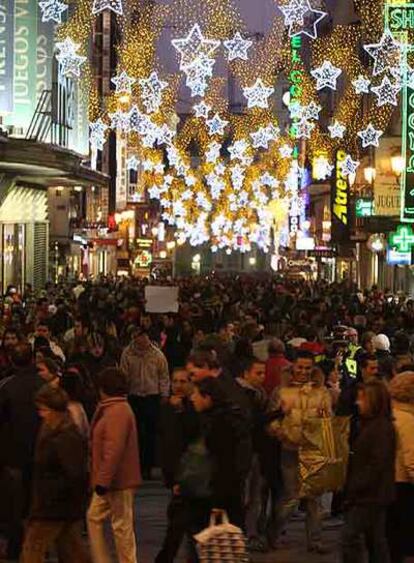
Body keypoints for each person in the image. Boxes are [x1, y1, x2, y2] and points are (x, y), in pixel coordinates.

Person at [268, 349, 332, 553]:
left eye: (307, 368)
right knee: (291, 498)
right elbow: (271, 419)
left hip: (313, 451)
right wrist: (282, 433)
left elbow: (328, 420)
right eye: (300, 367)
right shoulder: (281, 391)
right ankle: (274, 534)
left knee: (314, 499)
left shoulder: (321, 392)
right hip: (290, 449)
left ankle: (315, 540)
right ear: (292, 368)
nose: (303, 371)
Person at [20, 385, 89, 563]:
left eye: (44, 409)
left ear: (56, 410)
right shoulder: (54, 430)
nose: (41, 414)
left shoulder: (65, 437)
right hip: (59, 506)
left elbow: (75, 475)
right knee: (72, 552)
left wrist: (49, 498)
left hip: (53, 506)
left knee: (32, 550)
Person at [87, 367, 141, 563]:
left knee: (120, 526)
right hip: (115, 479)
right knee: (112, 523)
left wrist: (102, 480)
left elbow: (113, 449)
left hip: (115, 480)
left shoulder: (115, 411)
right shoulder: (116, 408)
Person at [342, 379, 395, 563]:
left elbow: (376, 464)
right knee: (375, 540)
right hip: (372, 493)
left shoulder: (380, 428)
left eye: (362, 399)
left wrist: (356, 485)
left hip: (370, 494)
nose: (358, 403)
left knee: (351, 536)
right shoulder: (371, 425)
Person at [0, 342, 43, 559]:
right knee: (37, 504)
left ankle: (17, 547)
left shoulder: (6, 387)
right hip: (40, 453)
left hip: (13, 455)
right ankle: (37, 548)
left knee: (15, 506)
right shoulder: (44, 385)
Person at [191, 377, 252, 528]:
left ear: (207, 397)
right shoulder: (220, 417)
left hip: (219, 490)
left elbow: (221, 461)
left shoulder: (219, 423)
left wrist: (217, 499)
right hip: (222, 489)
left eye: (195, 394)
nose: (192, 398)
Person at [121, 326, 170, 479]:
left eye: (142, 336)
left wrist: (164, 394)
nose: (139, 340)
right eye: (136, 337)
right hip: (134, 396)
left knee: (150, 433)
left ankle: (149, 466)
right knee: (136, 433)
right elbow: (123, 375)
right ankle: (137, 465)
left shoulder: (157, 355)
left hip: (151, 396)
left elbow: (163, 376)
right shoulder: (127, 353)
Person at [387, 372, 414, 563]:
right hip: (404, 484)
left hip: (387, 482)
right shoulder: (409, 420)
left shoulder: (389, 414)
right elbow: (411, 459)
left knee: (392, 537)